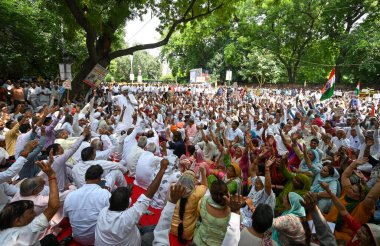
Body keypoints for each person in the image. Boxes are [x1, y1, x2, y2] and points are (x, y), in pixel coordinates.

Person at [94, 159, 169, 246]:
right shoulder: (127, 218)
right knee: (157, 233)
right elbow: (149, 194)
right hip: (137, 240)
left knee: (143, 226)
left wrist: (127, 193)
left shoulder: (103, 212)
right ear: (127, 206)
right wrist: (162, 169)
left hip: (127, 234)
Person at [0, 151, 60, 246]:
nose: (35, 213)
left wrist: (49, 165)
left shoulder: (18, 194)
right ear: (18, 221)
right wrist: (52, 176)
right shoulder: (23, 234)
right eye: (32, 212)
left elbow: (37, 181)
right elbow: (54, 205)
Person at [325, 158, 380, 243]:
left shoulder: (362, 208)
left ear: (359, 197)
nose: (350, 190)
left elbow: (371, 197)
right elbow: (345, 176)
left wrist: (379, 182)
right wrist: (354, 164)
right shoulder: (347, 194)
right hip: (328, 225)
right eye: (351, 188)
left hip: (342, 236)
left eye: (354, 191)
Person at [63, 165, 111, 245]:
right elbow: (112, 216)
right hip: (98, 238)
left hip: (77, 237)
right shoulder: (105, 194)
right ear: (99, 179)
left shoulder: (70, 195)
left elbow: (66, 219)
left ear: (85, 179)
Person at [170, 170, 207, 242]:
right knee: (200, 204)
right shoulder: (196, 194)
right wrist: (202, 172)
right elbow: (204, 186)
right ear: (193, 182)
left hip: (170, 228)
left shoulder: (173, 189)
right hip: (188, 233)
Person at [193, 179, 231, 246]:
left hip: (199, 240)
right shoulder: (230, 210)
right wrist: (230, 205)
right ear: (227, 194)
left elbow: (199, 213)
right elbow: (237, 224)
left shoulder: (204, 200)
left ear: (211, 193)